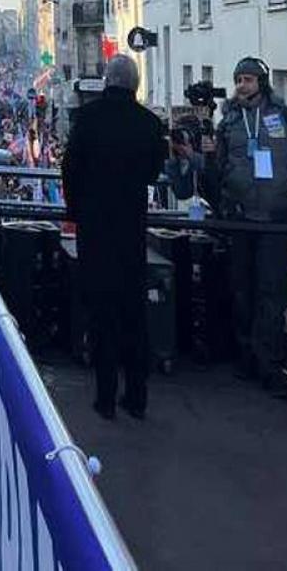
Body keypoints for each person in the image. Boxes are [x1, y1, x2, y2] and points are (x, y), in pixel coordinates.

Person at [63, 54, 167, 420]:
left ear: (107, 82)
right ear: (135, 85)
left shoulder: (88, 119)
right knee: (134, 315)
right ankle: (137, 395)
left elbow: (70, 167)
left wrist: (75, 211)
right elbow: (155, 172)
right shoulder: (149, 124)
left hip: (95, 232)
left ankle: (105, 398)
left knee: (102, 315)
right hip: (131, 232)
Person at [210, 57, 287, 398]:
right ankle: (246, 357)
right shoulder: (228, 120)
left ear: (262, 83)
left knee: (271, 295)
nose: (242, 86)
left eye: (248, 80)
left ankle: (270, 365)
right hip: (240, 218)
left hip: (274, 220)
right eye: (238, 79)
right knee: (242, 291)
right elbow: (218, 168)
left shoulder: (283, 116)